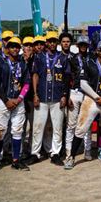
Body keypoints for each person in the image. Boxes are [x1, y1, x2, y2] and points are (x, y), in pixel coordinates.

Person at [27, 31, 70, 166]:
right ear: (46, 42)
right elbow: (35, 75)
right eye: (49, 41)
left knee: (57, 128)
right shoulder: (39, 57)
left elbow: (66, 78)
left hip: (57, 97)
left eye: (54, 41)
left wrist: (64, 95)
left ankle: (55, 153)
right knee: (38, 127)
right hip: (42, 96)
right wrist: (35, 94)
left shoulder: (63, 57)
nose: (52, 43)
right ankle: (35, 153)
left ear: (57, 42)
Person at [0, 36, 31, 171]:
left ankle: (16, 160)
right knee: (0, 130)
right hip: (3, 101)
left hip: (18, 101)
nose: (15, 49)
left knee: (17, 130)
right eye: (12, 46)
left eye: (17, 47)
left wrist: (19, 99)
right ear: (7, 48)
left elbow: (27, 83)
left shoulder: (23, 64)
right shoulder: (1, 63)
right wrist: (6, 100)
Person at [66, 36, 94, 160]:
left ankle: (87, 150)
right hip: (75, 92)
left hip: (88, 93)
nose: (83, 46)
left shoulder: (92, 59)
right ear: (77, 45)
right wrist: (67, 95)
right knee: (71, 124)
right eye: (81, 44)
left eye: (85, 44)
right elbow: (67, 78)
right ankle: (69, 152)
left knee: (87, 124)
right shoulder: (72, 59)